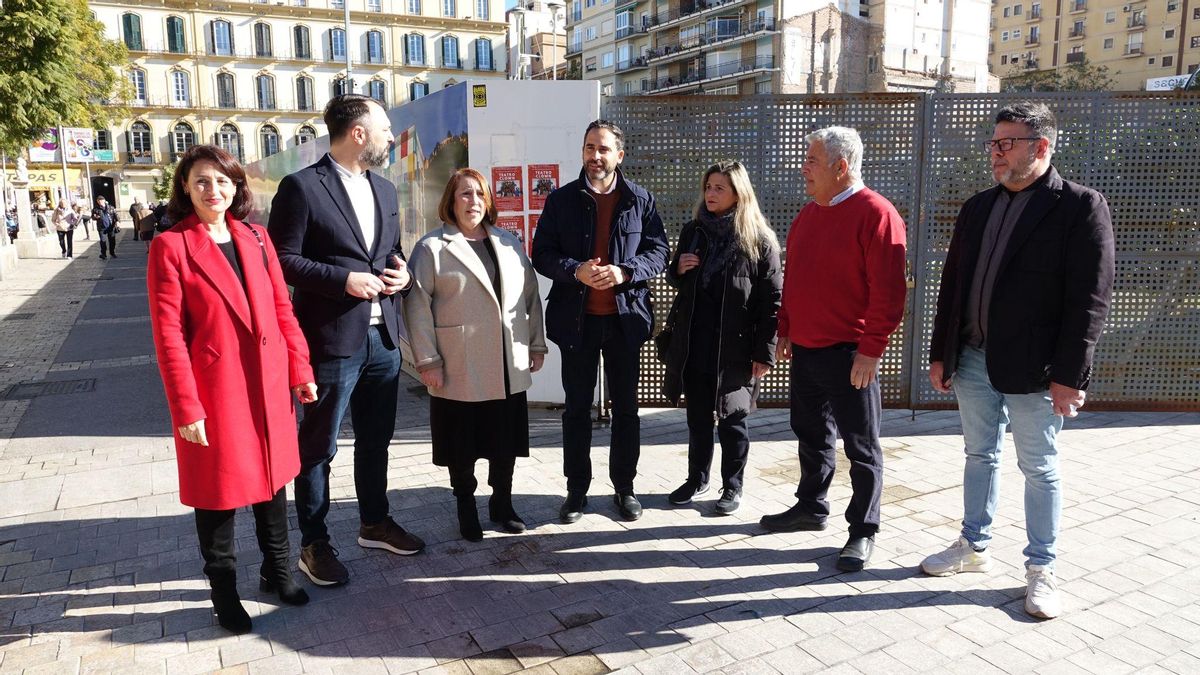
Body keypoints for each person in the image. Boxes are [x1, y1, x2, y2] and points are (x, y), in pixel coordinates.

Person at [920, 102, 1115, 620]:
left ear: (1041, 147)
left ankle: (1041, 569)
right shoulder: (977, 207)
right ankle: (972, 547)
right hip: (973, 360)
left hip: (1037, 370)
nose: (995, 153)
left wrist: (1070, 377)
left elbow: (1089, 302)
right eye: (993, 143)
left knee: (1039, 468)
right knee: (978, 454)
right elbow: (954, 287)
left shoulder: (1079, 207)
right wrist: (942, 353)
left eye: (1006, 143)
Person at [147, 144, 318, 634]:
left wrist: (299, 368)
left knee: (272, 481)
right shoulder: (172, 246)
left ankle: (278, 571)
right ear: (185, 186)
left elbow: (282, 311)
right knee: (217, 493)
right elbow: (168, 335)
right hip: (214, 391)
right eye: (202, 180)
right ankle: (224, 593)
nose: (213, 190)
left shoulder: (258, 239)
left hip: (267, 384)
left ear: (236, 186)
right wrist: (186, 407)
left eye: (223, 181)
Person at [268, 93, 424, 588]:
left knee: (376, 439)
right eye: (382, 129)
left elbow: (390, 251)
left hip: (383, 336)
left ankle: (374, 523)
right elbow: (282, 260)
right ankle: (314, 543)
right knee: (319, 446)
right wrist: (342, 280)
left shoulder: (385, 189)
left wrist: (400, 273)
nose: (388, 137)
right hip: (331, 339)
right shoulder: (300, 188)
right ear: (358, 133)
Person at [759, 126, 907, 573]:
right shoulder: (809, 214)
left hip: (850, 356)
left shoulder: (877, 214)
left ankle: (863, 531)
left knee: (861, 447)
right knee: (810, 433)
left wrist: (871, 350)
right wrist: (785, 327)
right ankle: (811, 507)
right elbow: (796, 280)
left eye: (812, 161)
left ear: (841, 168)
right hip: (805, 349)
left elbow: (889, 292)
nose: (804, 168)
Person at [531, 120, 670, 524]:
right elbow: (542, 254)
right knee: (576, 409)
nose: (595, 156)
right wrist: (576, 270)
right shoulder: (561, 201)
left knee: (626, 409)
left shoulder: (640, 200)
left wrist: (625, 272)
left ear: (619, 155)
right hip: (577, 323)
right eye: (589, 147)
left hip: (625, 322)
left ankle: (625, 488)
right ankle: (576, 491)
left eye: (603, 149)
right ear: (583, 152)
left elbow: (659, 252)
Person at [404, 169, 548, 542]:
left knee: (505, 441)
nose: (473, 202)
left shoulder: (507, 242)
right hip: (459, 363)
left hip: (506, 362)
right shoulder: (432, 247)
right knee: (462, 444)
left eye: (479, 195)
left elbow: (529, 298)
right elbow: (417, 307)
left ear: (489, 201)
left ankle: (502, 503)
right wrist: (428, 361)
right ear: (451, 201)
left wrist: (536, 343)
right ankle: (466, 506)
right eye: (464, 194)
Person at [661, 161, 782, 516]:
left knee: (733, 420)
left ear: (738, 194)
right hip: (695, 343)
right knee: (697, 417)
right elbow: (680, 282)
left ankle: (733, 485)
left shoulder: (759, 240)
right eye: (708, 187)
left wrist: (765, 352)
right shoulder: (693, 231)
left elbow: (773, 300)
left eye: (719, 188)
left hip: (737, 347)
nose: (710, 194)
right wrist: (677, 269)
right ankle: (697, 478)